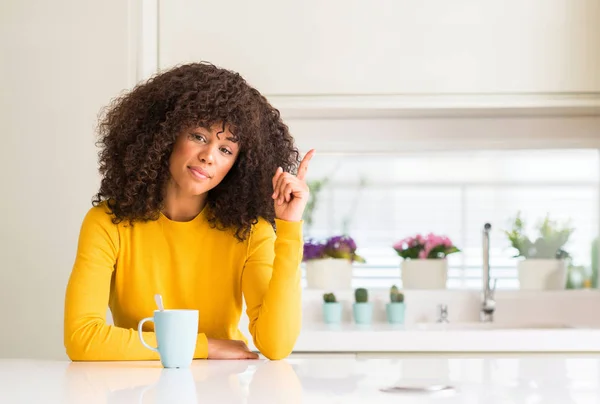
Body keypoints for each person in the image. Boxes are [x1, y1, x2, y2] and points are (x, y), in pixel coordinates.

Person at [64, 62, 315, 361]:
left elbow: (276, 345)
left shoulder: (249, 232)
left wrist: (288, 227)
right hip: (137, 388)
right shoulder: (108, 223)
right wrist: (203, 346)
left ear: (238, 165)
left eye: (226, 150)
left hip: (221, 387)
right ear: (166, 135)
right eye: (199, 136)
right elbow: (81, 338)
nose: (208, 156)